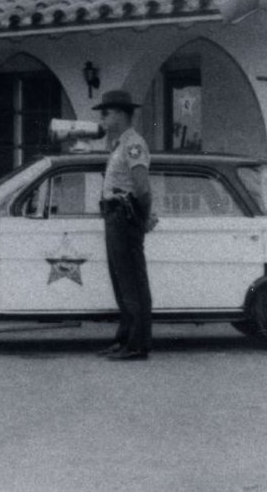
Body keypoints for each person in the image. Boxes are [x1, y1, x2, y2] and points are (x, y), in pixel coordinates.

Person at [93, 90, 154, 361]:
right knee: (121, 282)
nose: (103, 118)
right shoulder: (119, 144)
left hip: (125, 216)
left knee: (133, 283)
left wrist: (140, 219)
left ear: (120, 113)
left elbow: (143, 188)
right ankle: (124, 339)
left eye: (106, 113)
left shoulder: (133, 144)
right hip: (114, 214)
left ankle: (137, 344)